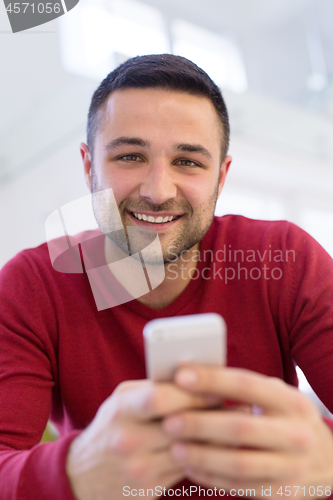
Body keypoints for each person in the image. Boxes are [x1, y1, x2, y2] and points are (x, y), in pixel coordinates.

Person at [0, 54, 333, 500]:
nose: (158, 191)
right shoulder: (32, 286)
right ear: (88, 166)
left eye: (188, 162)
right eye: (130, 156)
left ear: (221, 176)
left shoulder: (285, 259)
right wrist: (76, 472)